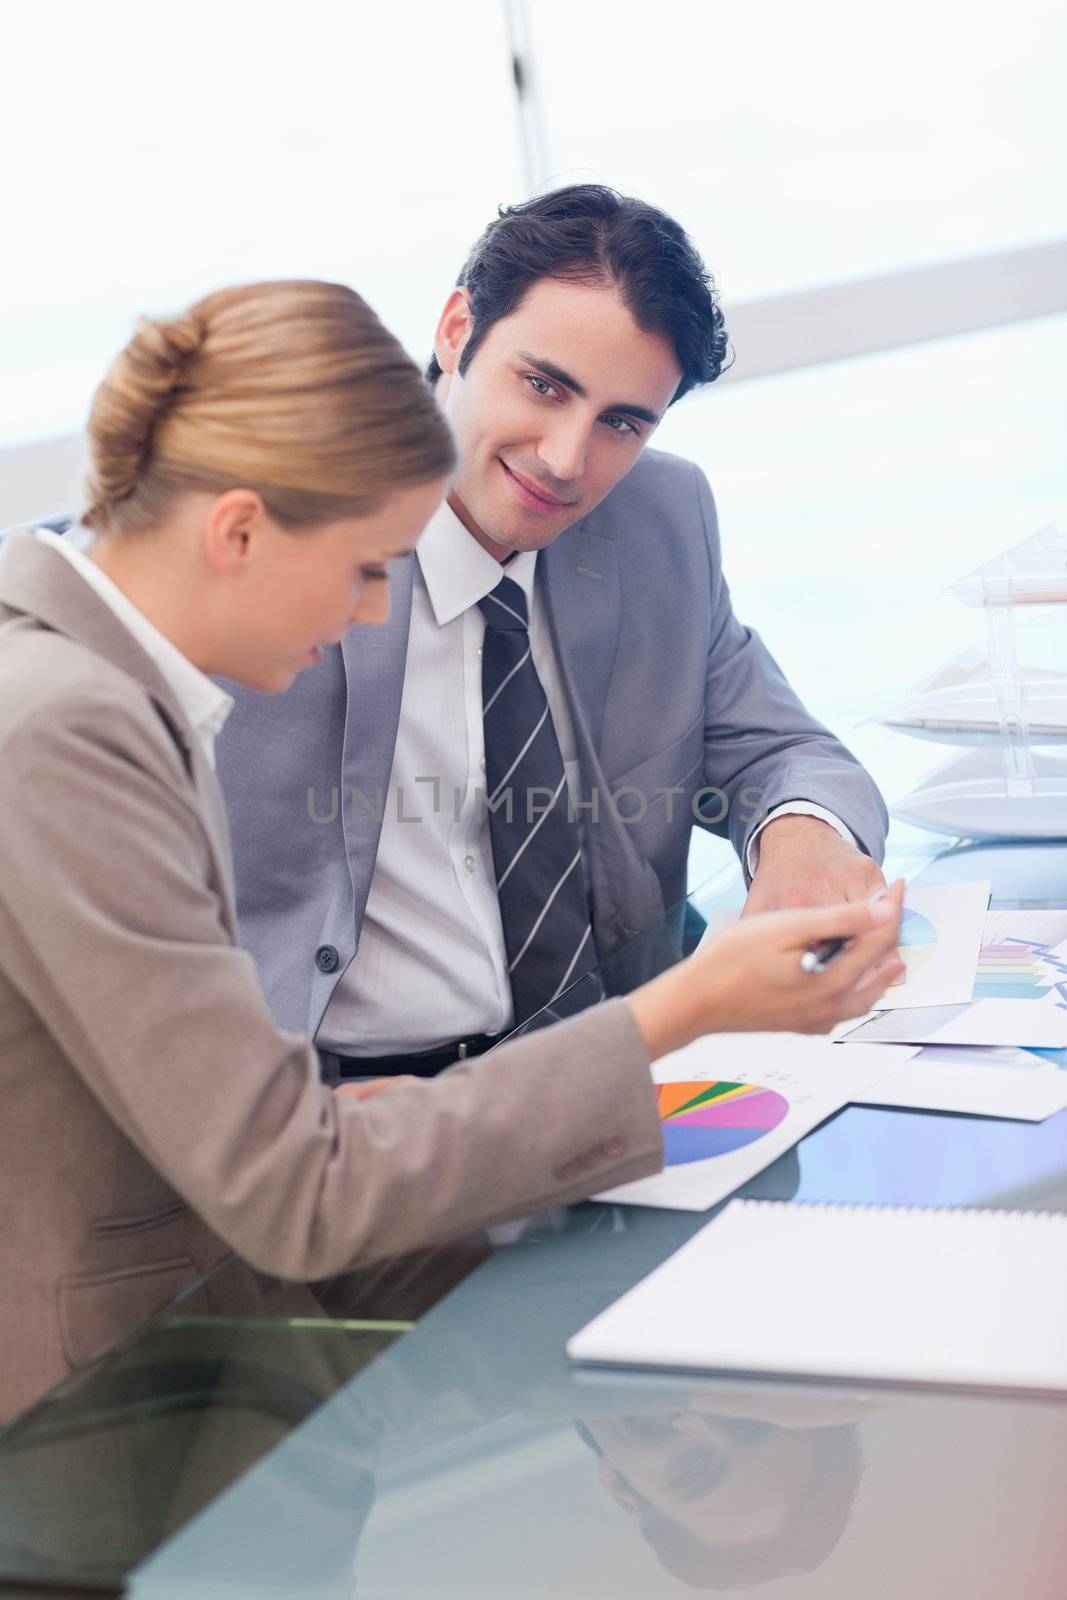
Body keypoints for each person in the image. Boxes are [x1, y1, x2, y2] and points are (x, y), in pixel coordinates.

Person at [0, 278, 904, 1421]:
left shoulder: (102, 688)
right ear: (236, 530)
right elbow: (295, 1180)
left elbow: (777, 740)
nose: (375, 610)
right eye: (368, 568)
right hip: (142, 1367)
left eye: (626, 418)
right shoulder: (65, 724)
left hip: (374, 1218)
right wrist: (688, 1005)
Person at [212, 186, 891, 1081]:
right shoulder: (278, 532)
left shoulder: (658, 516)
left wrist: (802, 835)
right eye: (544, 385)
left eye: (621, 422)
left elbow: (776, 746)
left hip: (633, 1060)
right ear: (456, 331)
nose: (566, 460)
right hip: (352, 1106)